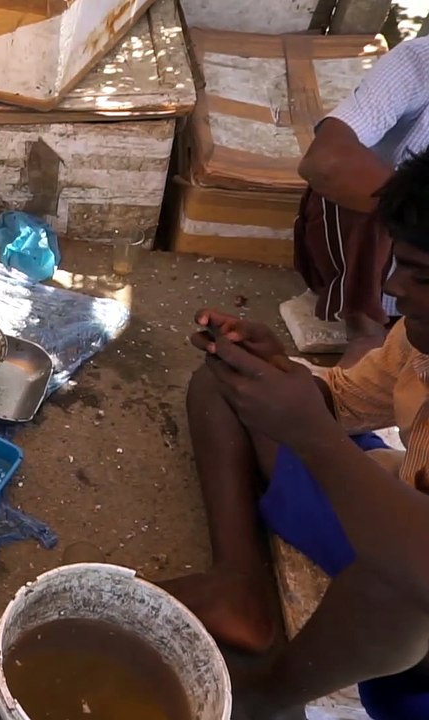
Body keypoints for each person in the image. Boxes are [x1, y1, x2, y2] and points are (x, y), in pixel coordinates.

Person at [162, 149, 429, 719]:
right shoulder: (420, 337)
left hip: (415, 601)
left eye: (421, 276)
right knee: (228, 387)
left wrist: (311, 434)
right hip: (402, 532)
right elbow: (346, 401)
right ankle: (239, 586)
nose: (393, 288)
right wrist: (278, 370)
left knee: (398, 592)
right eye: (398, 264)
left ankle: (265, 699)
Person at [294, 36, 429, 367]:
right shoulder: (418, 62)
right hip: (372, 251)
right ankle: (365, 329)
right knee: (389, 192)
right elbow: (323, 162)